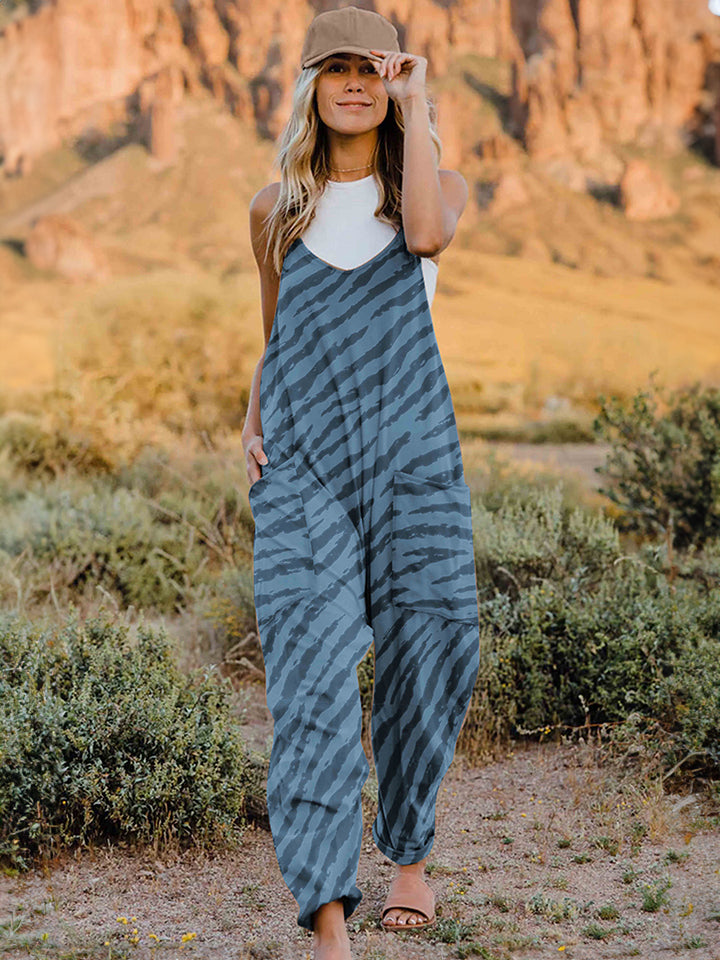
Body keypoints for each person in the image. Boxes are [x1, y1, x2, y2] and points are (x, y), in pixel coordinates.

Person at [241, 7, 480, 959]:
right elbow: (274, 334)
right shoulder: (275, 208)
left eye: (370, 69)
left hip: (413, 453)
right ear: (309, 85)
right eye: (333, 68)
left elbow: (424, 238)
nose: (353, 83)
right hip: (303, 464)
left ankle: (409, 854)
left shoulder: (435, 185)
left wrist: (417, 104)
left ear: (393, 80)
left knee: (435, 642)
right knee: (310, 676)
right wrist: (250, 418)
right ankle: (329, 917)